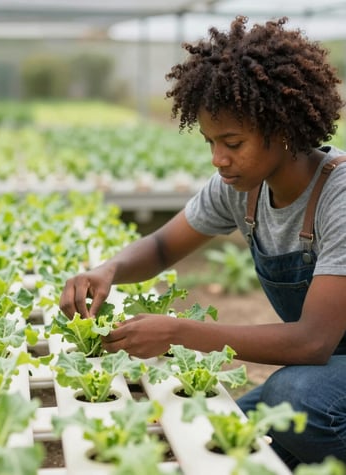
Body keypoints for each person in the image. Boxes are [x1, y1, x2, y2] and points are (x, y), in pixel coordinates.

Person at [60, 16, 346, 469]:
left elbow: (313, 343)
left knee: (296, 398)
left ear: (284, 129)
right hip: (331, 370)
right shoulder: (240, 188)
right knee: (214, 438)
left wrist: (177, 332)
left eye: (232, 141)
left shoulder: (340, 196)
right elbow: (159, 248)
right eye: (211, 141)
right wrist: (107, 270)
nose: (218, 159)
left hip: (322, 365)